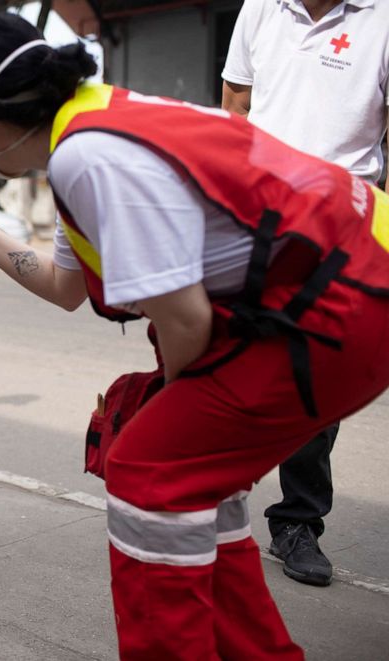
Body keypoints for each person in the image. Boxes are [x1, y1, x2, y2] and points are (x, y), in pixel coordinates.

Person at [0, 12, 389, 659]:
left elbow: (185, 322)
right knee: (200, 484)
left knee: (148, 466)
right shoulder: (89, 123)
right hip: (352, 278)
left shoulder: (87, 156)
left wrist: (176, 413)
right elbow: (65, 285)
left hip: (341, 302)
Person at [221, 0, 389, 588]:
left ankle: (297, 524)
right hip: (259, 216)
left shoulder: (381, 17)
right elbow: (236, 102)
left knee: (314, 377)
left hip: (343, 225)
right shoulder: (260, 9)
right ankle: (212, 498)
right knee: (229, 357)